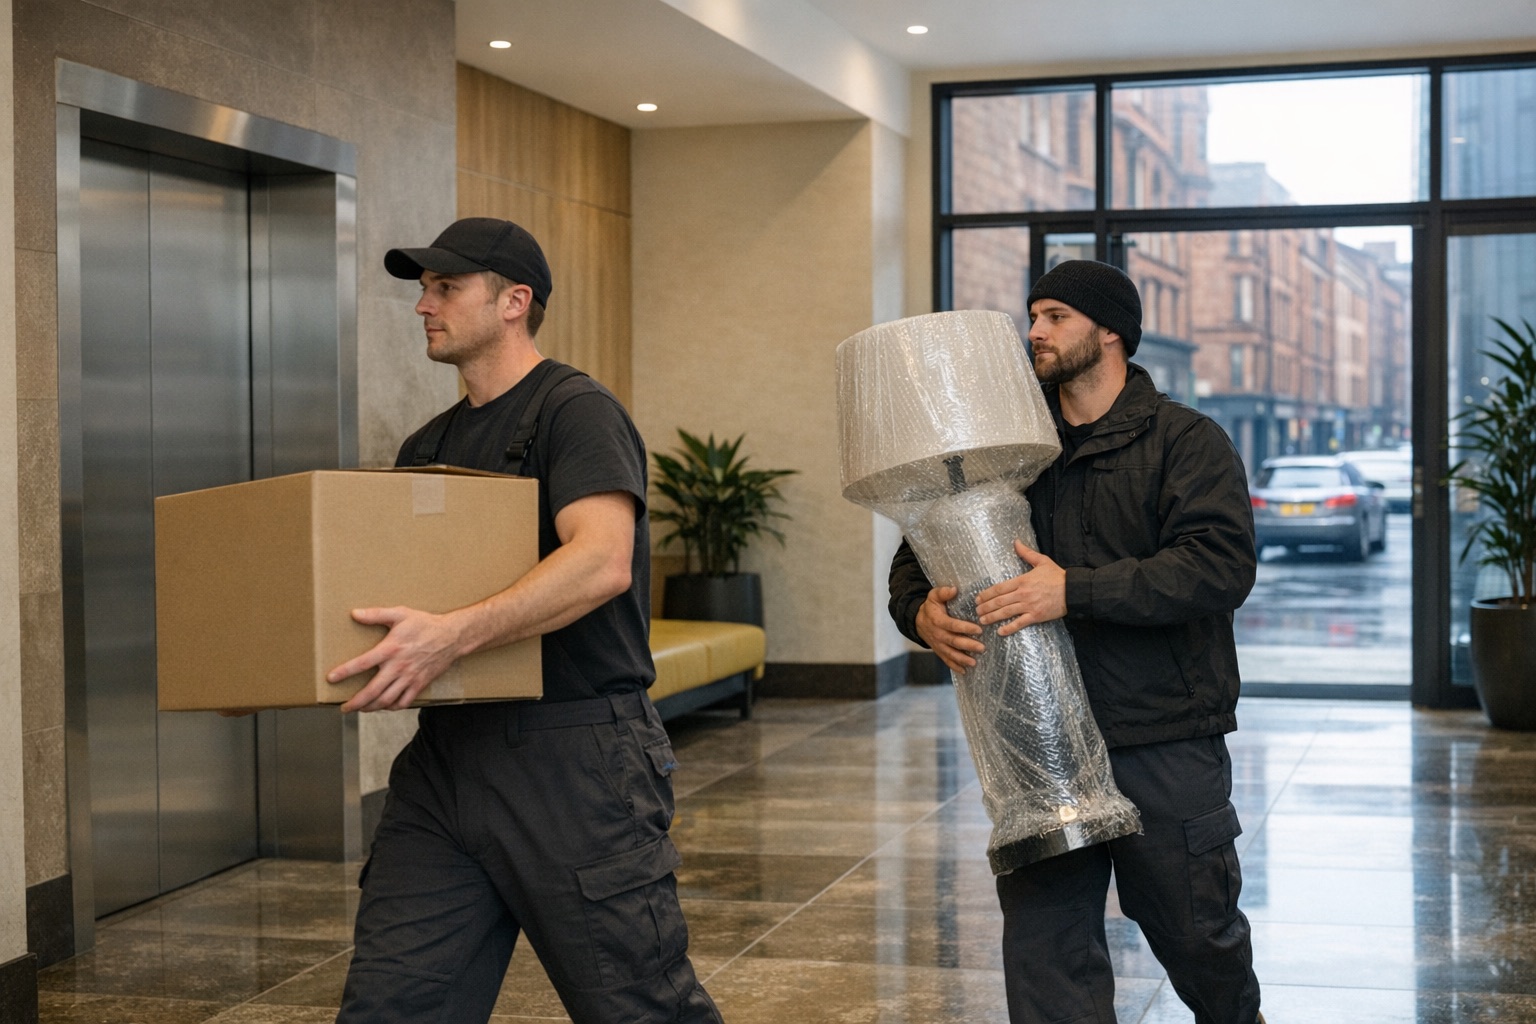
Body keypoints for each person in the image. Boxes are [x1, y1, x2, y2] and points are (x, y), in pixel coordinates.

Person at [330, 217, 722, 1024]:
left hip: (575, 760)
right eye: (422, 289)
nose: (423, 306)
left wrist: (451, 634)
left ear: (515, 301)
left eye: (446, 288)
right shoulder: (426, 446)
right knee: (391, 1006)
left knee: (638, 1007)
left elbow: (601, 560)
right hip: (445, 762)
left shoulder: (574, 412)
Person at [888, 260, 1264, 1024]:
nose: (1034, 332)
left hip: (1161, 733)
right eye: (1033, 315)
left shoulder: (1186, 442)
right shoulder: (1007, 445)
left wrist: (1073, 590)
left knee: (1197, 935)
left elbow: (1217, 567)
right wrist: (917, 614)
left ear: (1111, 332)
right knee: (1047, 954)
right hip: (1037, 745)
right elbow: (920, 548)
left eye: (1055, 316)